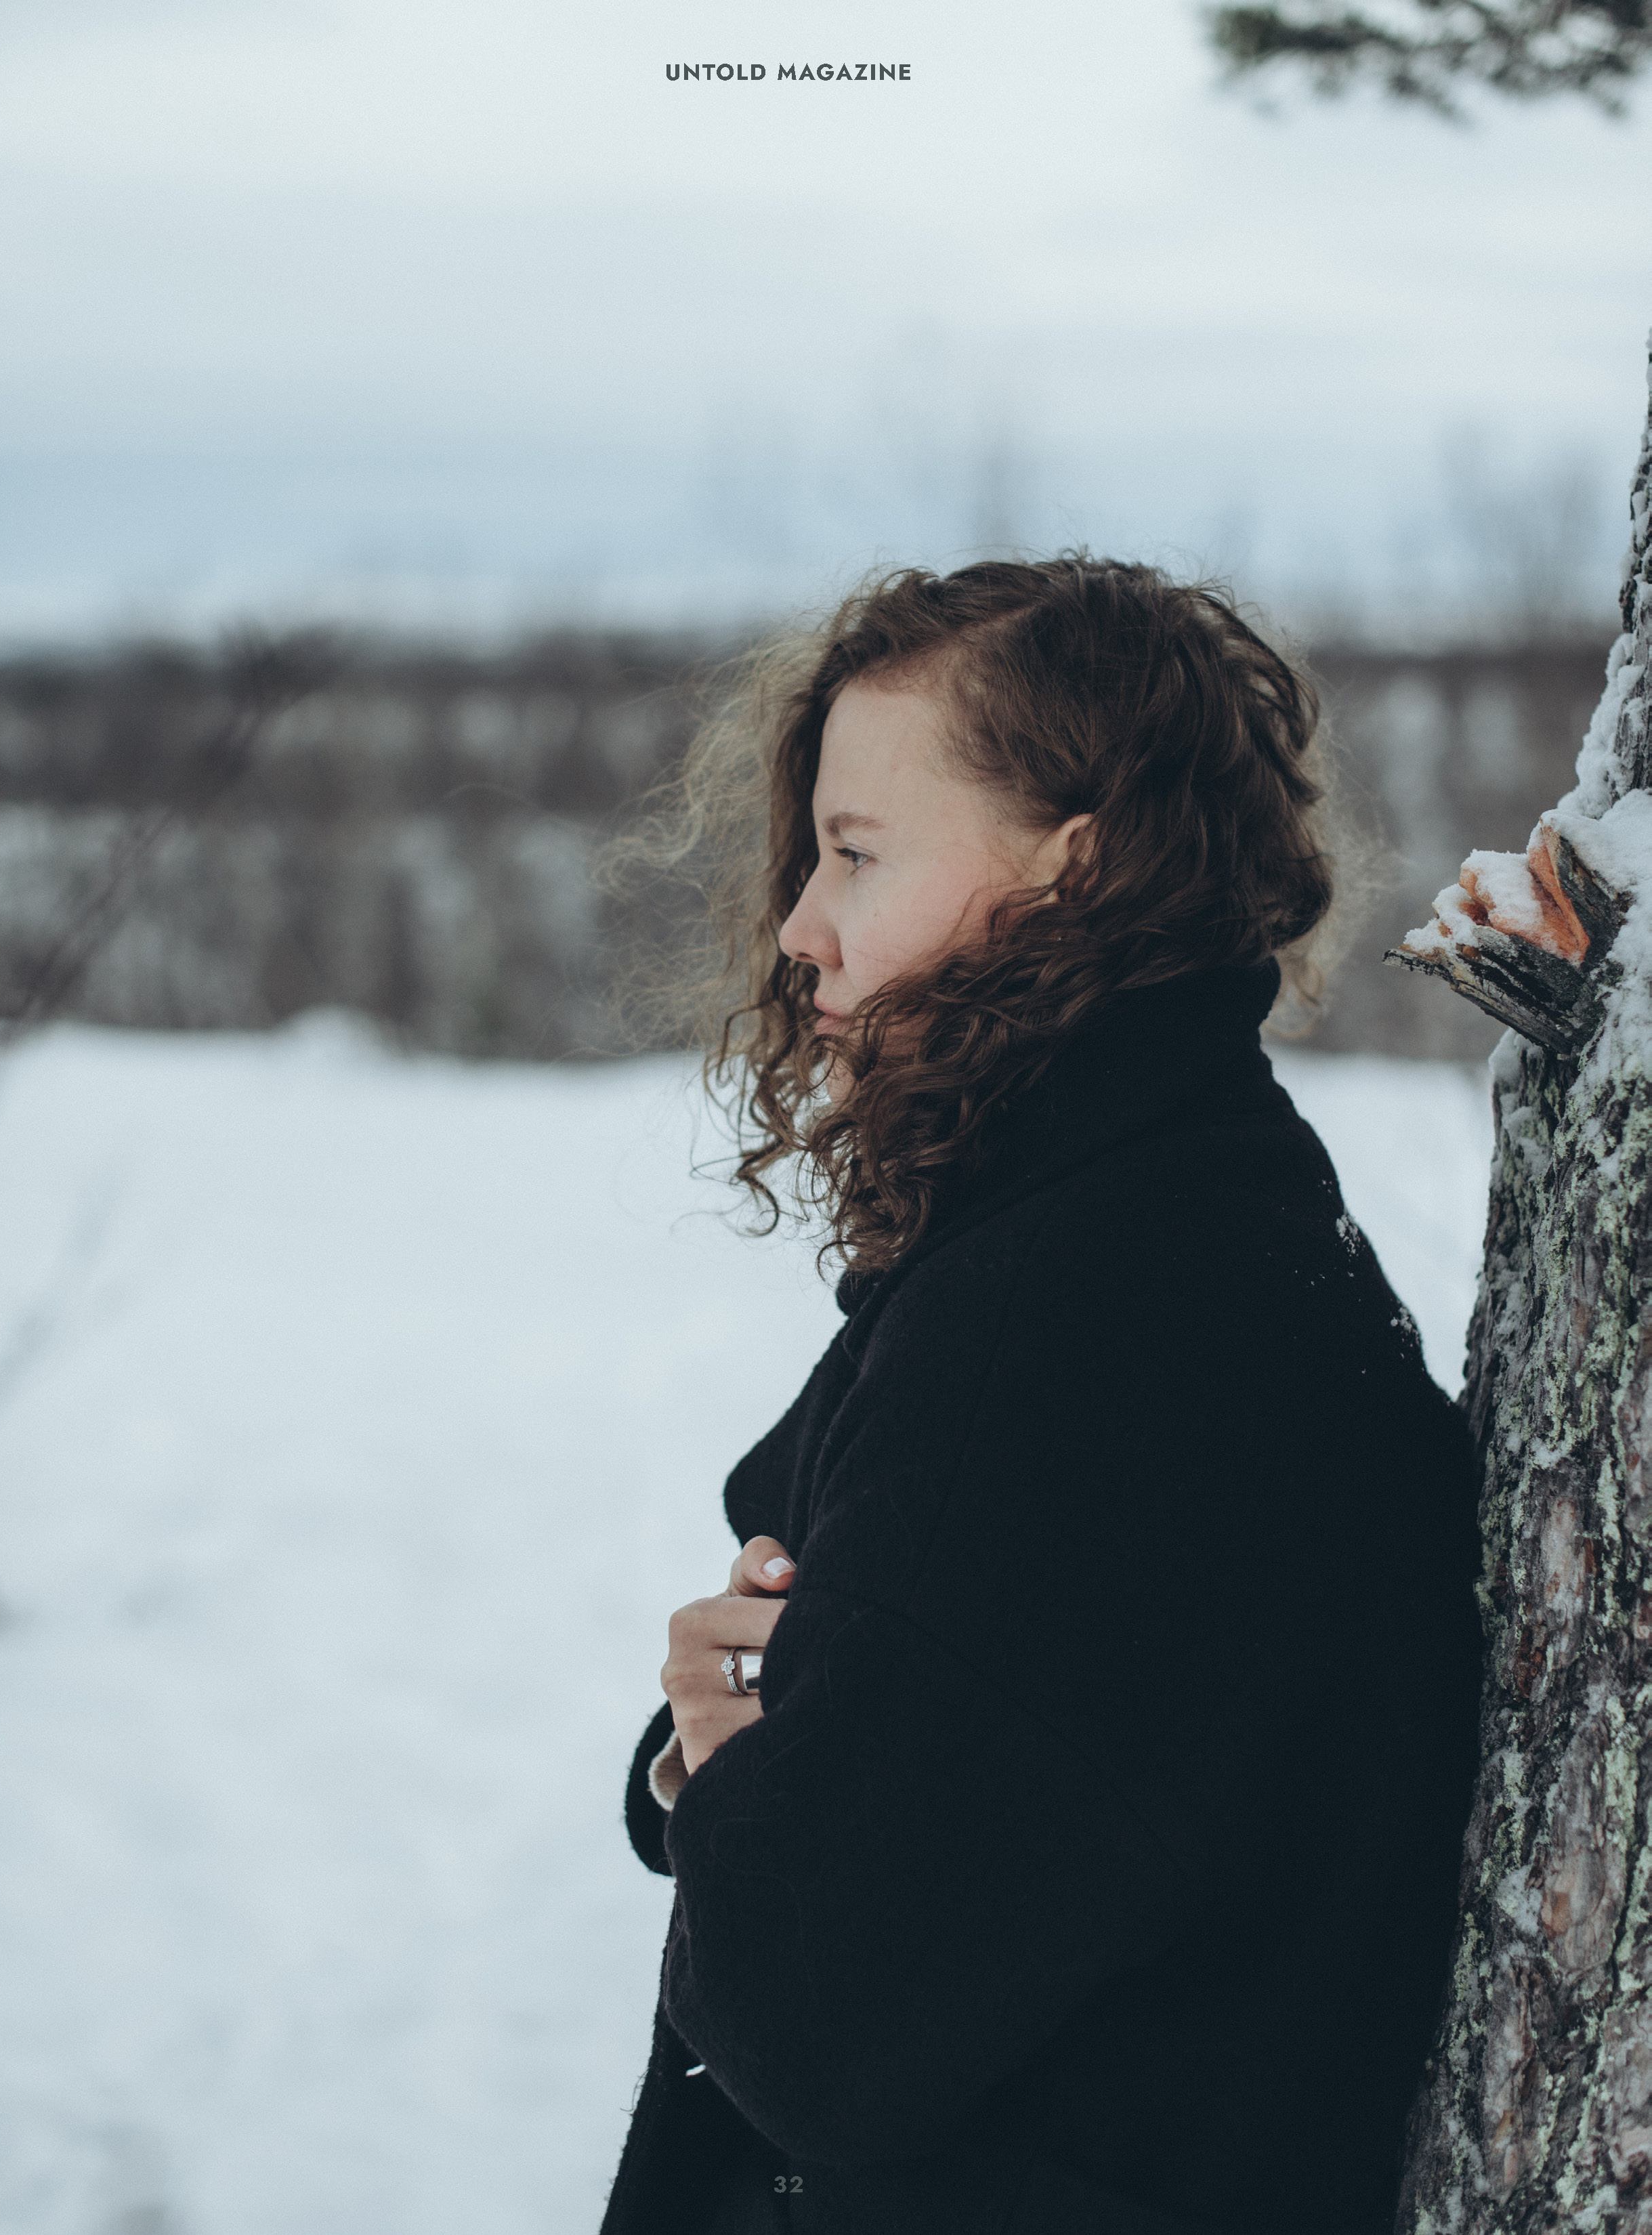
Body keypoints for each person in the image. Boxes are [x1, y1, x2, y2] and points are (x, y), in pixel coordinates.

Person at [599, 557, 1482, 2235]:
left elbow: (819, 2029)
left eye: (856, 853)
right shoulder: (1172, 1206)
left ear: (1078, 868)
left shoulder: (1088, 1321)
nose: (800, 927)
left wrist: (730, 1779)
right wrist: (704, 1754)